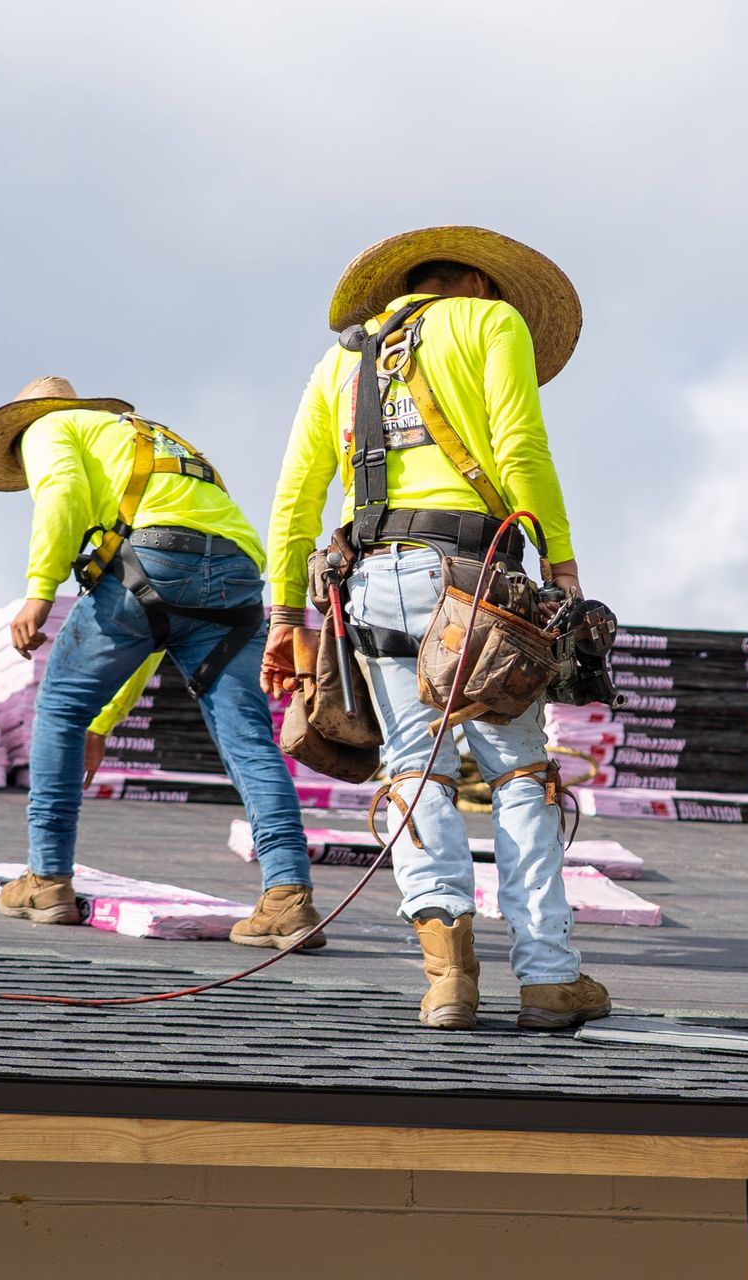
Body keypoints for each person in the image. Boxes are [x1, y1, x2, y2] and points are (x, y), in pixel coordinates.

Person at [261, 226, 608, 1032]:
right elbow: (521, 448)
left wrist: (283, 615)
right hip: (474, 579)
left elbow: (293, 496)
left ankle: (447, 980)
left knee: (416, 773)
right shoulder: (492, 325)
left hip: (372, 583)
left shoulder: (340, 362)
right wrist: (562, 567)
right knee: (519, 771)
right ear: (479, 284)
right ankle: (550, 977)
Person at [0, 377, 321, 949]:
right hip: (233, 576)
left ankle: (47, 879)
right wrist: (105, 722)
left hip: (154, 559)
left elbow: (60, 491)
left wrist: (40, 589)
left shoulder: (46, 428)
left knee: (59, 710)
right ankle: (287, 897)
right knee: (249, 738)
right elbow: (149, 633)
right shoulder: (149, 439)